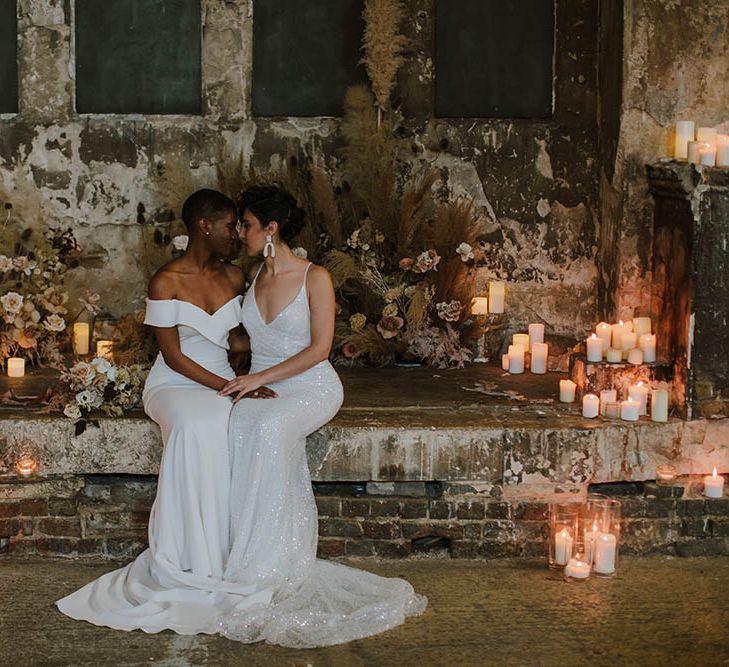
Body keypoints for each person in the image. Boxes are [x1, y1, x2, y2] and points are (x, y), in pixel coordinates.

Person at [214, 185, 427, 647]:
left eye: (246, 224)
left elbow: (319, 349)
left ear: (270, 228)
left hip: (311, 386)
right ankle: (237, 552)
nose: (240, 233)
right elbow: (247, 341)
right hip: (266, 381)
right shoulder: (252, 277)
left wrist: (254, 379)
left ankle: (266, 569)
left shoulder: (315, 277)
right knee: (235, 424)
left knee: (269, 429)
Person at [55, 189, 275, 634]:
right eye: (230, 225)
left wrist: (286, 349)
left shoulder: (235, 276)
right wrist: (232, 388)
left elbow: (233, 341)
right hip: (175, 384)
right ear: (204, 227)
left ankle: (221, 555)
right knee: (196, 424)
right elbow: (173, 357)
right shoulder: (165, 280)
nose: (236, 233)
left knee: (226, 424)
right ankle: (183, 558)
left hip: (218, 381)